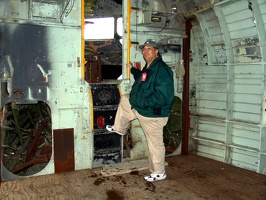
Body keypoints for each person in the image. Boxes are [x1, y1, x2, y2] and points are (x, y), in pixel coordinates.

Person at [106, 39, 174, 182]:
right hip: (143, 109)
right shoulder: (149, 67)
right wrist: (132, 69)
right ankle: (119, 128)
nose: (145, 51)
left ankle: (159, 172)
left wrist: (140, 102)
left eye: (149, 49)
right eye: (144, 49)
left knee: (155, 145)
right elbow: (142, 78)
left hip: (153, 114)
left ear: (156, 51)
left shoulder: (162, 70)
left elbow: (162, 97)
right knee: (126, 99)